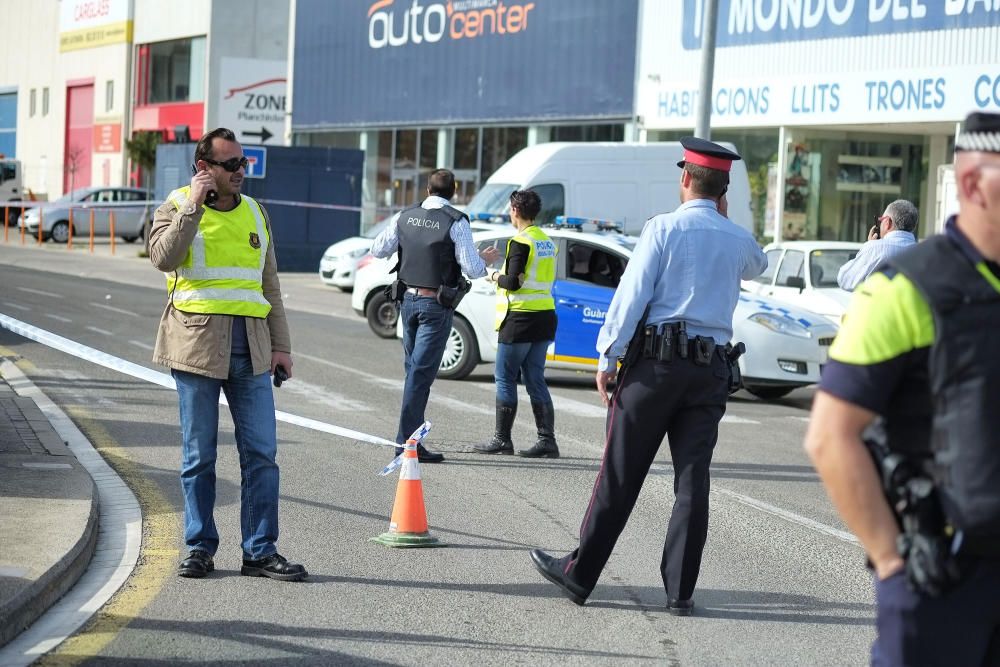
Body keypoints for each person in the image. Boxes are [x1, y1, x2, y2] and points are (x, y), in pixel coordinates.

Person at [529, 138, 767, 615]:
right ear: (724, 191)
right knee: (692, 481)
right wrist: (723, 218)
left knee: (620, 474)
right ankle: (680, 591)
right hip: (710, 372)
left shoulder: (663, 229)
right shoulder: (738, 238)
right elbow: (757, 263)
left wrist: (608, 356)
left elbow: (632, 296)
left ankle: (580, 575)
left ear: (684, 179)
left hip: (656, 367)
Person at [805, 111, 1000, 665]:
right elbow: (830, 436)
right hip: (942, 577)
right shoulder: (904, 288)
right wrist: (892, 563)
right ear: (970, 184)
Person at [149, 127, 307, 582]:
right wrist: (193, 209)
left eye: (244, 163)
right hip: (196, 345)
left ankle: (259, 550)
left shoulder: (257, 212)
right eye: (232, 164)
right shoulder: (177, 205)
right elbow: (162, 257)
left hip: (253, 348)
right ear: (204, 168)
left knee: (262, 453)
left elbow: (269, 285)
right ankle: (199, 547)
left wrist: (282, 347)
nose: (242, 171)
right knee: (199, 455)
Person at [371, 169, 499, 463]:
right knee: (420, 376)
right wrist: (485, 259)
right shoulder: (456, 221)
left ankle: (411, 441)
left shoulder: (404, 216)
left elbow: (378, 249)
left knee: (413, 373)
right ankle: (406, 445)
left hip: (407, 303)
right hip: (434, 306)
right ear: (453, 191)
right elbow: (473, 269)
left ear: (427, 189)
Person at [473, 190, 559, 458]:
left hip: (520, 318)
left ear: (515, 210)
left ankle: (502, 440)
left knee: (505, 378)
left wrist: (492, 274)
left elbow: (513, 282)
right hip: (544, 316)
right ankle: (547, 441)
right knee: (535, 378)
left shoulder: (520, 242)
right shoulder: (546, 241)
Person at [837, 199, 918, 291]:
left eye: (881, 220)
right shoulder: (923, 252)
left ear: (887, 222)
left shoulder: (875, 248)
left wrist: (869, 245)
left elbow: (845, 280)